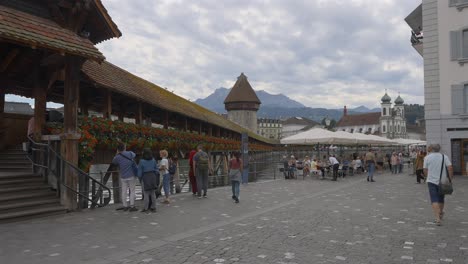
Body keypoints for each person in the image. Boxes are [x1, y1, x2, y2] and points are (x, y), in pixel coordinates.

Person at [423, 144, 453, 226]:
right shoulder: (444, 157)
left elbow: (425, 169)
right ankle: (440, 213)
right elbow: (450, 168)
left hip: (431, 181)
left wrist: (427, 176)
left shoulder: (427, 157)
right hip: (442, 181)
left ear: (432, 149)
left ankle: (437, 219)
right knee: (441, 199)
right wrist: (450, 179)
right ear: (439, 149)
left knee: (434, 199)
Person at [112, 143, 138, 212]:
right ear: (124, 148)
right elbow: (134, 155)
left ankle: (125, 206)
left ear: (118, 149)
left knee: (124, 191)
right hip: (131, 175)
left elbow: (114, 162)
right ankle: (132, 206)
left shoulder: (117, 157)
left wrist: (117, 153)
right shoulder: (130, 153)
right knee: (132, 191)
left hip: (123, 176)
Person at [137, 148, 158, 213]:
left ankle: (146, 208)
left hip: (145, 177)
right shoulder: (153, 160)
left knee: (146, 194)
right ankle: (153, 207)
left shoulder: (141, 161)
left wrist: (139, 179)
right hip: (153, 176)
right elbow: (156, 170)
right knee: (153, 193)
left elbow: (139, 173)